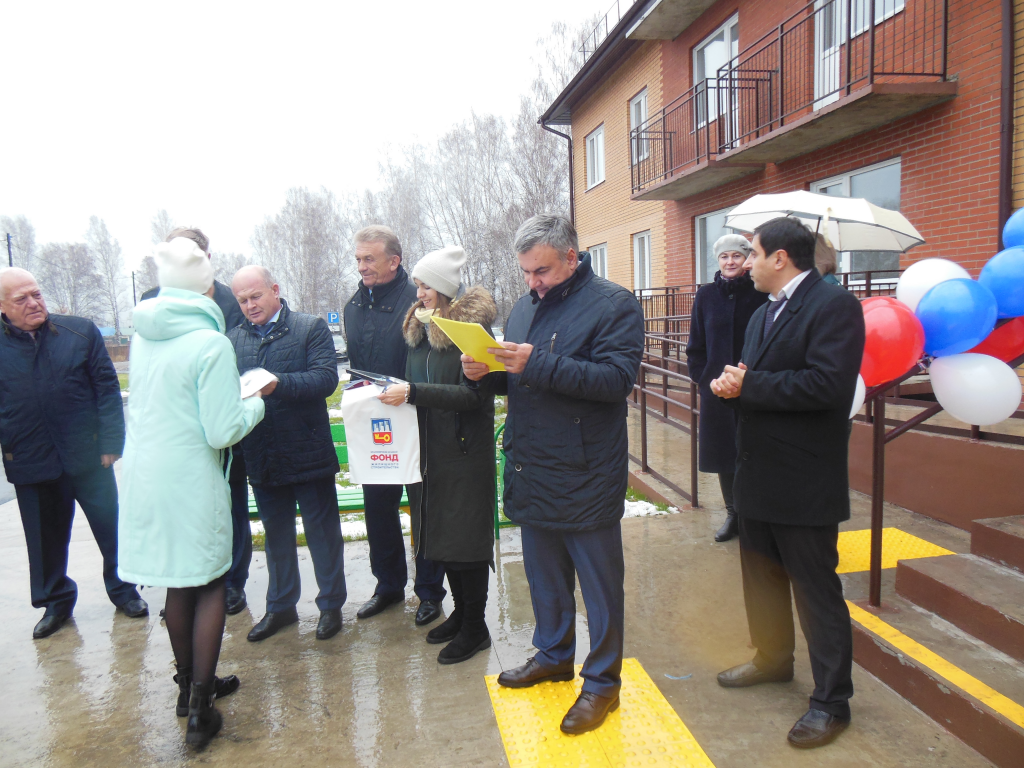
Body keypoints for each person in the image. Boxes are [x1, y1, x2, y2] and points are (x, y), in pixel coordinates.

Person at [462, 215, 645, 735]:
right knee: (544, 577)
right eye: (525, 272)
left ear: (571, 256)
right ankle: (554, 654)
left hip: (586, 469)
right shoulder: (525, 308)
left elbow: (614, 381)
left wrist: (531, 363)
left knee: (601, 585)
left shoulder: (614, 305)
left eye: (540, 271)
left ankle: (603, 684)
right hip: (532, 464)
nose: (532, 282)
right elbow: (520, 380)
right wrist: (486, 372)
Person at [710, 217, 865, 749]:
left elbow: (827, 385)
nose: (744, 263)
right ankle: (772, 659)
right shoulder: (764, 311)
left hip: (804, 479)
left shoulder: (833, 305)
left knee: (816, 591)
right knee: (762, 578)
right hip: (758, 474)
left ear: (780, 258)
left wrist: (750, 385)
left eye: (751, 254)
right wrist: (734, 383)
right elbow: (758, 377)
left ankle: (831, 700)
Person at [118, 237, 266, 748]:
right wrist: (257, 403)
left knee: (176, 585)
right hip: (190, 477)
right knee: (209, 583)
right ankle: (202, 709)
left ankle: (187, 690)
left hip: (145, 476)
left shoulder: (143, 337)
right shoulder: (210, 343)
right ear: (206, 286)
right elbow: (223, 430)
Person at [0, 267, 147, 640]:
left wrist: (111, 444)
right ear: (2, 306)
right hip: (31, 460)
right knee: (44, 539)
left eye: (36, 294)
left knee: (111, 528)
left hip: (88, 458)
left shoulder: (79, 331)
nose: (34, 303)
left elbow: (107, 389)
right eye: (22, 299)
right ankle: (55, 603)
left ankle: (124, 591)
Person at [378, 246, 498, 664]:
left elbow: (474, 396)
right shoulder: (419, 332)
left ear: (445, 288)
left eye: (427, 285)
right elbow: (415, 383)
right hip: (428, 452)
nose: (420, 293)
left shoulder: (471, 332)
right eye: (418, 284)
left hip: (465, 453)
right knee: (440, 541)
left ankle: (476, 627)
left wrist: (414, 393)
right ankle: (461, 615)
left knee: (467, 544)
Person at [228, 265, 347, 642]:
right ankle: (280, 607)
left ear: (275, 290)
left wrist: (276, 384)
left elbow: (326, 378)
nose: (250, 306)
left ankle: (330, 606)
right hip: (262, 452)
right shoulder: (233, 340)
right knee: (276, 536)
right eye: (242, 300)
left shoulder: (308, 328)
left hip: (307, 450)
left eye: (255, 296)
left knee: (322, 533)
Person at [141, 228, 252, 615]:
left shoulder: (226, 299)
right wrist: (254, 406)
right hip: (199, 439)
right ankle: (198, 594)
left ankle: (234, 582)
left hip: (179, 444)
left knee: (234, 513)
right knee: (198, 557)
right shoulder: (151, 310)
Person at [343, 225, 446, 626]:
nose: (362, 266)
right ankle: (387, 586)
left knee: (423, 509)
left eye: (369, 258)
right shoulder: (354, 306)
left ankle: (429, 591)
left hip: (416, 419)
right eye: (358, 259)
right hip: (375, 427)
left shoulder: (416, 301)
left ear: (394, 261)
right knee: (378, 510)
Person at [686, 234, 768, 543]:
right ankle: (733, 514)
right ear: (717, 261)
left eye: (736, 256)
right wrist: (704, 378)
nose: (730, 261)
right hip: (717, 390)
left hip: (752, 388)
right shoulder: (706, 296)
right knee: (724, 453)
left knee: (752, 449)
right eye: (724, 257)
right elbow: (696, 344)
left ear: (747, 260)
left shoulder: (760, 292)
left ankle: (753, 515)